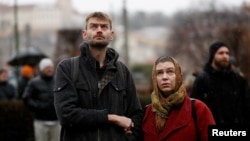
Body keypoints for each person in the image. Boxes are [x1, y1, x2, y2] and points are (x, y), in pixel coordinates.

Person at [53, 11, 143, 141]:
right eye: (94, 26)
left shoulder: (122, 72)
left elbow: (136, 115)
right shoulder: (68, 68)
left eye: (104, 26)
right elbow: (66, 114)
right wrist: (112, 118)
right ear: (84, 34)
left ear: (111, 35)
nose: (99, 30)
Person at [142, 55, 215, 141]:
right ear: (154, 78)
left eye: (170, 71)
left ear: (179, 76)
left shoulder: (198, 109)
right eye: (159, 73)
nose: (165, 77)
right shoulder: (146, 113)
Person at [190, 41, 249, 126]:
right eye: (221, 53)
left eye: (227, 53)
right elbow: (195, 109)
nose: (225, 56)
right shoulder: (202, 80)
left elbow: (246, 108)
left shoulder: (239, 80)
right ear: (213, 55)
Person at [22, 58, 60, 141]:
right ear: (42, 69)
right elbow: (26, 98)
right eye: (47, 67)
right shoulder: (34, 83)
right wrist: (38, 107)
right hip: (40, 122)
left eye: (50, 67)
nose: (49, 69)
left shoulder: (59, 81)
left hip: (57, 122)